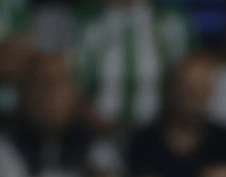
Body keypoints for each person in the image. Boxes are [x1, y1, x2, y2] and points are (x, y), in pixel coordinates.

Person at [73, 0, 193, 131]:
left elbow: (187, 78)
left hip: (158, 132)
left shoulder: (170, 21)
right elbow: (67, 79)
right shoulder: (85, 22)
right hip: (93, 130)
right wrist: (87, 113)